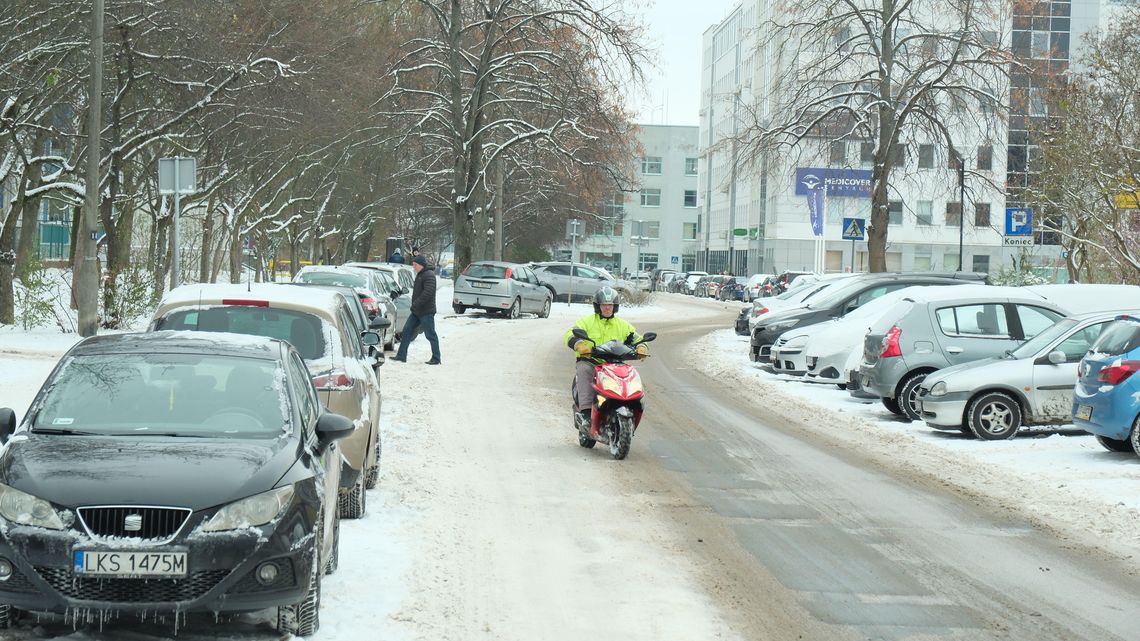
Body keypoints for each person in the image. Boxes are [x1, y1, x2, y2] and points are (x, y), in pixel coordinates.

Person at [564, 286, 647, 428]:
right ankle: (585, 412)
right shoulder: (587, 322)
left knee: (630, 373)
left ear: (615, 307)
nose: (607, 308)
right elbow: (570, 334)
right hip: (592, 362)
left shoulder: (622, 325)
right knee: (584, 369)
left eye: (610, 305)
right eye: (604, 305)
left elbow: (636, 338)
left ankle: (632, 404)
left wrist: (641, 347)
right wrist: (579, 344)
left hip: (614, 364)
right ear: (598, 306)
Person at [392, 255, 441, 365]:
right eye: (413, 264)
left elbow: (427, 293)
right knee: (406, 331)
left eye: (415, 265)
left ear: (421, 265)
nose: (413, 267)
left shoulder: (429, 275)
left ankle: (436, 358)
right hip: (417, 311)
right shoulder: (421, 274)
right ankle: (401, 355)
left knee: (430, 334)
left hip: (426, 311)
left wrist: (416, 304)